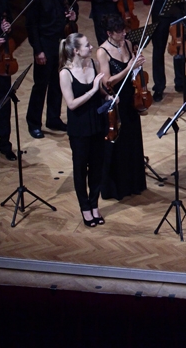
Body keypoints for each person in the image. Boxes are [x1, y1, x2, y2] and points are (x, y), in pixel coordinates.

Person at [25, 0, 78, 139]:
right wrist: (38, 50)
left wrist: (73, 15)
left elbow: (74, 8)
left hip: (63, 42)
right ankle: (34, 123)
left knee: (58, 83)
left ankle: (53, 119)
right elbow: (31, 26)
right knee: (41, 86)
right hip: (45, 45)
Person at [95, 15, 147, 201]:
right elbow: (107, 82)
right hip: (116, 100)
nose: (124, 34)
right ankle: (118, 188)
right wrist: (128, 68)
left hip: (131, 97)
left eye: (124, 30)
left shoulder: (127, 43)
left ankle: (134, 183)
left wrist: (138, 65)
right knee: (119, 143)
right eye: (119, 32)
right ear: (109, 33)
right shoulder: (102, 52)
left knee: (132, 139)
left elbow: (133, 70)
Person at [59, 33, 106, 227]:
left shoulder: (93, 64)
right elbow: (71, 104)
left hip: (97, 123)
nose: (91, 47)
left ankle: (94, 204)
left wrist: (108, 96)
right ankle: (85, 208)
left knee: (97, 167)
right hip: (79, 128)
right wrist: (93, 90)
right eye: (87, 45)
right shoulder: (65, 73)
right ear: (76, 51)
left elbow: (101, 92)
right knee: (80, 169)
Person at [0, 0, 16, 160]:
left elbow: (9, 23)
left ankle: (5, 145)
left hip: (2, 61)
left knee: (4, 105)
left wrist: (8, 27)